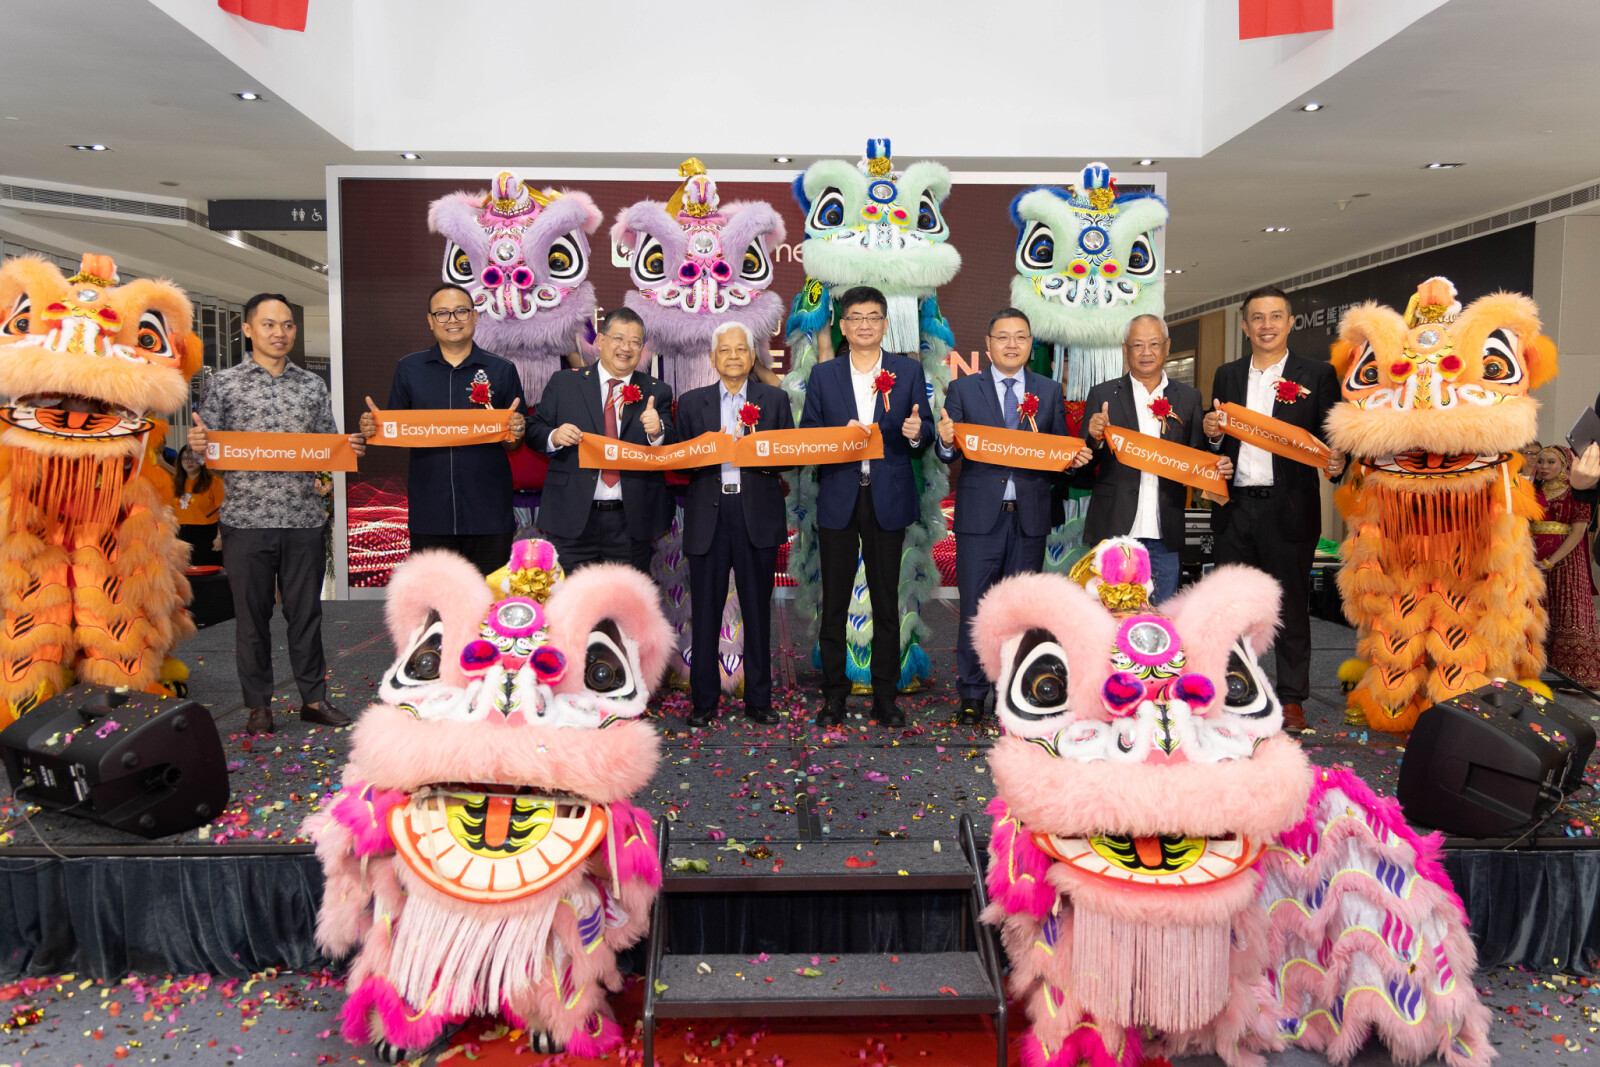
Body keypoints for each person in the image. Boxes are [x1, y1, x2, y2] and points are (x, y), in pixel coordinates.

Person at [190, 293, 367, 734]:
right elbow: (202, 452)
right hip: (245, 521)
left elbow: (328, 444)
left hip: (303, 519)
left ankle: (313, 699)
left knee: (306, 614)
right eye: (268, 325)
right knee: (251, 618)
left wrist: (350, 447)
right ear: (248, 329)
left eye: (287, 325)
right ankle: (258, 706)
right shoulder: (225, 385)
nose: (280, 333)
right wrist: (195, 450)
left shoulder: (311, 385)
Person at [936, 308, 1090, 726]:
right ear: (987, 346)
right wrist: (947, 442)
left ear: (1029, 345)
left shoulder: (1048, 391)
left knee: (1022, 612)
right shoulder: (964, 389)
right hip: (980, 519)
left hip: (1029, 518)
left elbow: (1060, 452)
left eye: (1020, 337)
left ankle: (1014, 693)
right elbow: (947, 451)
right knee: (975, 608)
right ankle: (971, 694)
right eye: (1002, 337)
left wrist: (1074, 459)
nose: (1011, 344)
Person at [1201, 285, 1344, 734]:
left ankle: (1292, 697)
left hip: (1290, 508)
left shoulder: (1317, 373)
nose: (1266, 325)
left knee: (1291, 605)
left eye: (1275, 317)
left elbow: (1334, 435)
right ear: (1245, 326)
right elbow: (1217, 433)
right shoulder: (1227, 374)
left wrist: (1340, 459)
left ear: (1290, 323)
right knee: (1231, 605)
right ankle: (1236, 687)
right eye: (1257, 318)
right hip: (1235, 507)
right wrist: (1212, 435)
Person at [800, 285, 933, 728]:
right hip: (840, 493)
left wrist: (916, 431)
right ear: (842, 325)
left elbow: (924, 432)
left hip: (887, 497)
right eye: (856, 317)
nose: (864, 325)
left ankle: (885, 697)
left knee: (887, 604)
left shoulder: (907, 372)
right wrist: (841, 436)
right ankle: (834, 695)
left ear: (884, 324)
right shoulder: (824, 376)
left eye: (873, 317)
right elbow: (810, 437)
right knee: (834, 601)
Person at [357, 282, 527, 575]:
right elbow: (395, 431)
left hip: (487, 511)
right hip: (430, 512)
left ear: (474, 317)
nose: (453, 320)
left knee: (487, 604)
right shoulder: (409, 368)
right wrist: (374, 427)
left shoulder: (501, 370)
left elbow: (513, 443)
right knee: (434, 605)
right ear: (430, 321)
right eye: (443, 313)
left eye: (461, 311)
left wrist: (517, 431)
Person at [677, 321, 795, 728]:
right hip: (708, 517)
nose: (732, 357)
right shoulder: (692, 404)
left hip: (756, 517)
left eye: (740, 350)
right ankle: (704, 701)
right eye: (724, 350)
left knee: (757, 613)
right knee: (705, 613)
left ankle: (759, 700)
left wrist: (754, 446)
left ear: (752, 356)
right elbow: (679, 461)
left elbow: (789, 456)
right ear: (713, 358)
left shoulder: (774, 401)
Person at [1074, 314, 1221, 604]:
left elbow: (1196, 458)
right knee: (1110, 615)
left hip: (1166, 531)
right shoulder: (1103, 394)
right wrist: (1094, 438)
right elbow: (1083, 465)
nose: (1146, 352)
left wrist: (1215, 443)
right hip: (1114, 528)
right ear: (1125, 349)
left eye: (1154, 344)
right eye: (1137, 345)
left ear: (1167, 347)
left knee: (1162, 616)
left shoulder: (1188, 397)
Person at [527, 307, 674, 573]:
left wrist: (657, 431)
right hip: (572, 514)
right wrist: (554, 436)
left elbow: (672, 444)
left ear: (642, 349)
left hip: (632, 519)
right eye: (618, 338)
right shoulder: (564, 383)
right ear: (600, 341)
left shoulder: (656, 390)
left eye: (635, 342)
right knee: (573, 606)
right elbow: (533, 428)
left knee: (627, 605)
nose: (626, 347)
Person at [1533, 446, 1600, 689]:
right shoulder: (1532, 491)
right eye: (1540, 461)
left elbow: (1578, 532)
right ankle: (1536, 668)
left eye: (1551, 462)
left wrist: (1552, 561)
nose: (1544, 466)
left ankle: (1572, 675)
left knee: (1566, 610)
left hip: (1566, 561)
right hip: (1533, 560)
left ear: (1564, 465)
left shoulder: (1576, 491)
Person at [171, 444, 223, 567]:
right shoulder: (173, 483)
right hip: (180, 534)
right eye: (185, 458)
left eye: (194, 458)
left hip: (207, 535)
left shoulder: (215, 482)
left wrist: (220, 537)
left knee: (207, 575)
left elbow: (223, 511)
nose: (189, 462)